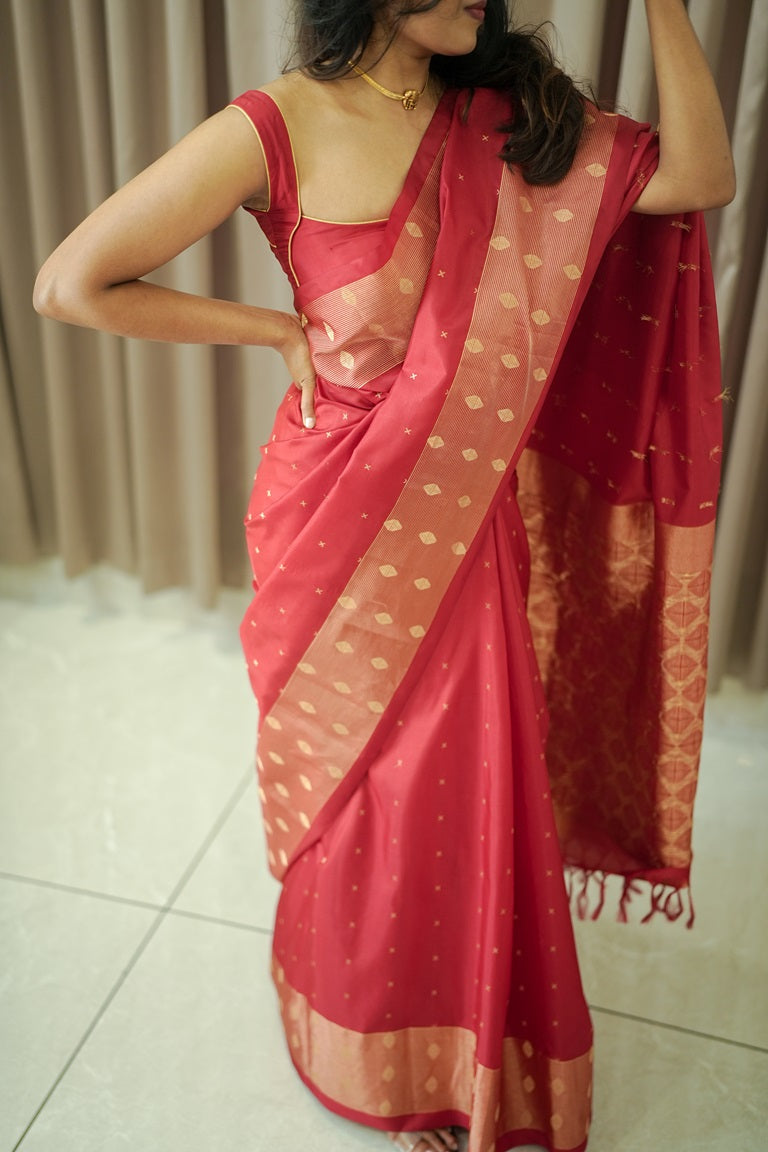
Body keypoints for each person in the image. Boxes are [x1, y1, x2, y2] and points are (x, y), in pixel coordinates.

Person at [33, 2, 734, 1150]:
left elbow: (701, 174)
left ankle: (463, 1054)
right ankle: (360, 1026)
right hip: (332, 512)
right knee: (357, 798)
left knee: (459, 787)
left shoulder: (511, 123)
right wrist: (270, 331)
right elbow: (72, 283)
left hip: (457, 522)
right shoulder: (272, 126)